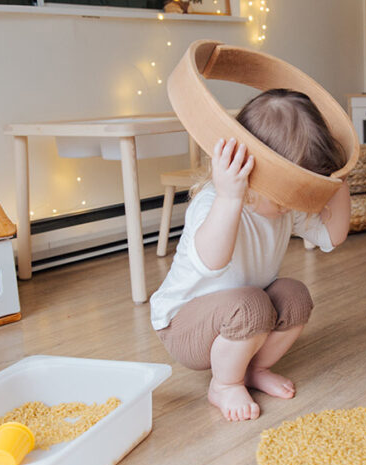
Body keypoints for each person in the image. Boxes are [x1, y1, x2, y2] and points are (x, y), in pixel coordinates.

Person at [149, 89, 351, 422]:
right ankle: (224, 384)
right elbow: (212, 261)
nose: (292, 201)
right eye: (288, 187)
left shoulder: (281, 205)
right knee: (251, 305)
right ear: (253, 171)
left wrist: (338, 184)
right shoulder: (214, 201)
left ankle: (253, 369)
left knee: (294, 296)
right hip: (184, 327)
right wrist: (229, 198)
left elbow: (332, 236)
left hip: (241, 316)